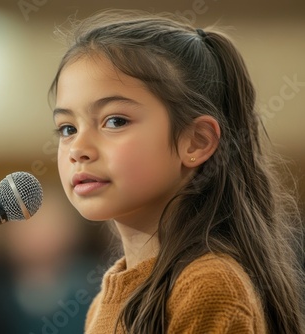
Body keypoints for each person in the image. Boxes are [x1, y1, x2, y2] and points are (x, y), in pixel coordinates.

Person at [48, 9, 304, 334]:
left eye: (115, 121)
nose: (78, 148)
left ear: (196, 142)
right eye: (67, 128)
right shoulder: (105, 299)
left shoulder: (208, 286)